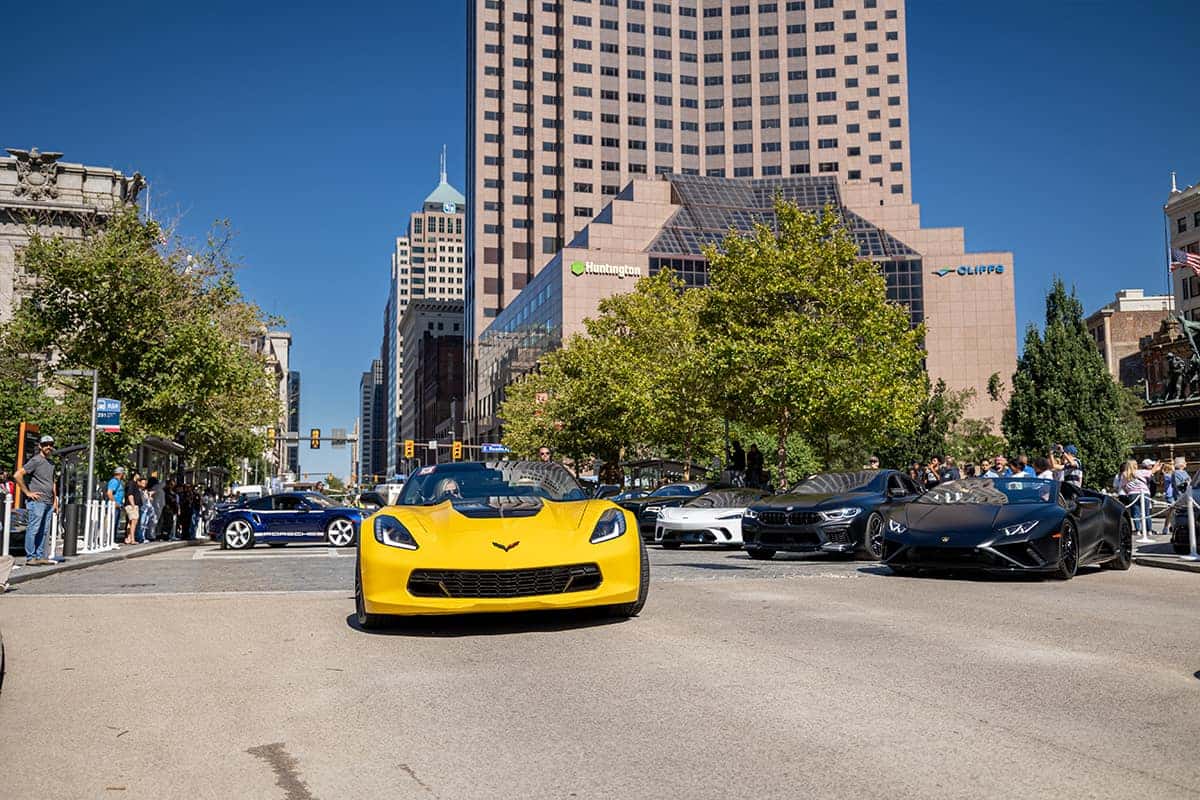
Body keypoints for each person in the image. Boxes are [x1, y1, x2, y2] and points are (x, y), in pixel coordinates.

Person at [14, 435, 59, 566]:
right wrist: (27, 492)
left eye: (50, 444)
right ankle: (30, 557)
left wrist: (55, 500)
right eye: (45, 444)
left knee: (44, 530)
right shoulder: (36, 460)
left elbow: (53, 483)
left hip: (49, 502)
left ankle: (39, 556)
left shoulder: (51, 463)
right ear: (40, 446)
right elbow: (17, 475)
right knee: (33, 528)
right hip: (37, 502)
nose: (48, 447)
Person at [1116, 459, 1159, 535]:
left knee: (1136, 513)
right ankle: (1149, 530)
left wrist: (1128, 492)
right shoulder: (1140, 472)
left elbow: (1123, 486)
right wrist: (1157, 464)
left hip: (1132, 494)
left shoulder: (1124, 474)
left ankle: (1138, 530)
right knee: (1146, 512)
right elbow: (1152, 471)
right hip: (1145, 493)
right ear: (1135, 465)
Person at [106, 466, 127, 542]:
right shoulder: (114, 481)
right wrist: (115, 503)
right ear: (121, 474)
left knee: (115, 523)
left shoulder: (119, 482)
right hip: (113, 506)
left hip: (117, 506)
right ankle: (110, 540)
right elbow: (109, 493)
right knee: (112, 523)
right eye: (123, 473)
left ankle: (113, 540)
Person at [123, 471, 141, 545]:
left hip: (131, 505)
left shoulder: (134, 483)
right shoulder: (132, 483)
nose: (139, 476)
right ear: (135, 475)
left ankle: (129, 538)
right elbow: (130, 494)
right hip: (132, 505)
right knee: (134, 522)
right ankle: (132, 539)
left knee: (130, 522)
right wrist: (133, 505)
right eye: (138, 474)